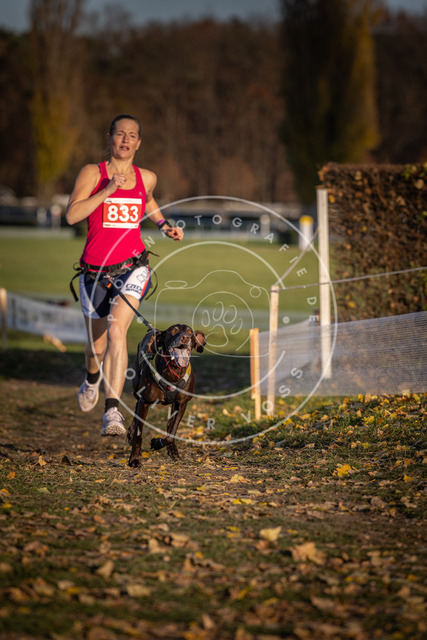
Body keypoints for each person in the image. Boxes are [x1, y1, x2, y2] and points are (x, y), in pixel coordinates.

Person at [66, 114, 183, 436]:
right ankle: (91, 378)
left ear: (139, 142)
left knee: (118, 331)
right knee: (96, 348)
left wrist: (164, 225)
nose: (126, 140)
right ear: (110, 138)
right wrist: (107, 190)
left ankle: (112, 412)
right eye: (120, 134)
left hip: (133, 266)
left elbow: (148, 201)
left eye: (132, 135)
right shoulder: (93, 173)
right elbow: (72, 215)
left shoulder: (147, 177)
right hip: (94, 271)